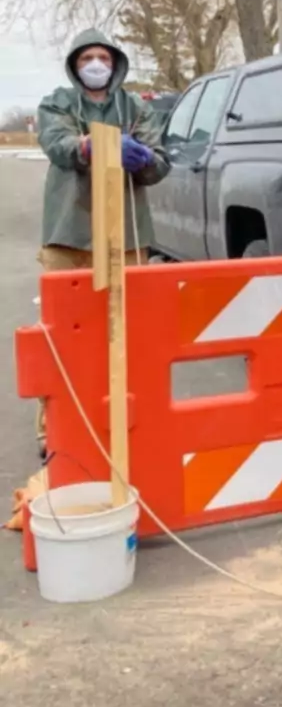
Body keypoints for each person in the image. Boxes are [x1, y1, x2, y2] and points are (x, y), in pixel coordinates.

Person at [35, 28, 170, 447]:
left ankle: (121, 422)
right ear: (76, 65)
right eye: (87, 58)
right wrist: (90, 146)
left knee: (123, 332)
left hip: (125, 238)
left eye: (104, 58)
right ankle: (53, 427)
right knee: (62, 337)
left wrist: (145, 158)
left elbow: (160, 160)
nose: (96, 65)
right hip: (69, 235)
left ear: (115, 64)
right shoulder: (58, 102)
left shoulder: (135, 107)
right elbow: (57, 144)